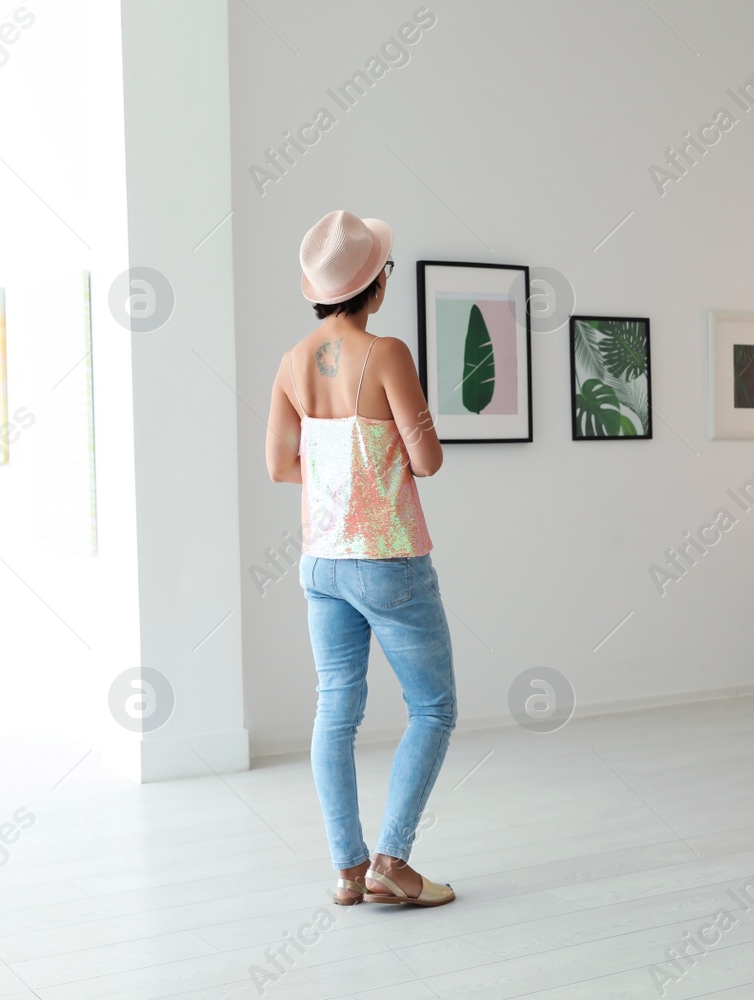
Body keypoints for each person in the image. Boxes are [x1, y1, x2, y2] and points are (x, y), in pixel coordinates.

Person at [265, 210, 457, 907]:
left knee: (335, 711)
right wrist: (379, 462)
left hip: (322, 562)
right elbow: (427, 460)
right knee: (433, 708)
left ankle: (348, 871)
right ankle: (392, 862)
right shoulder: (388, 354)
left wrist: (338, 473)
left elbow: (278, 466)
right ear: (375, 284)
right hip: (389, 560)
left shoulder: (292, 361)